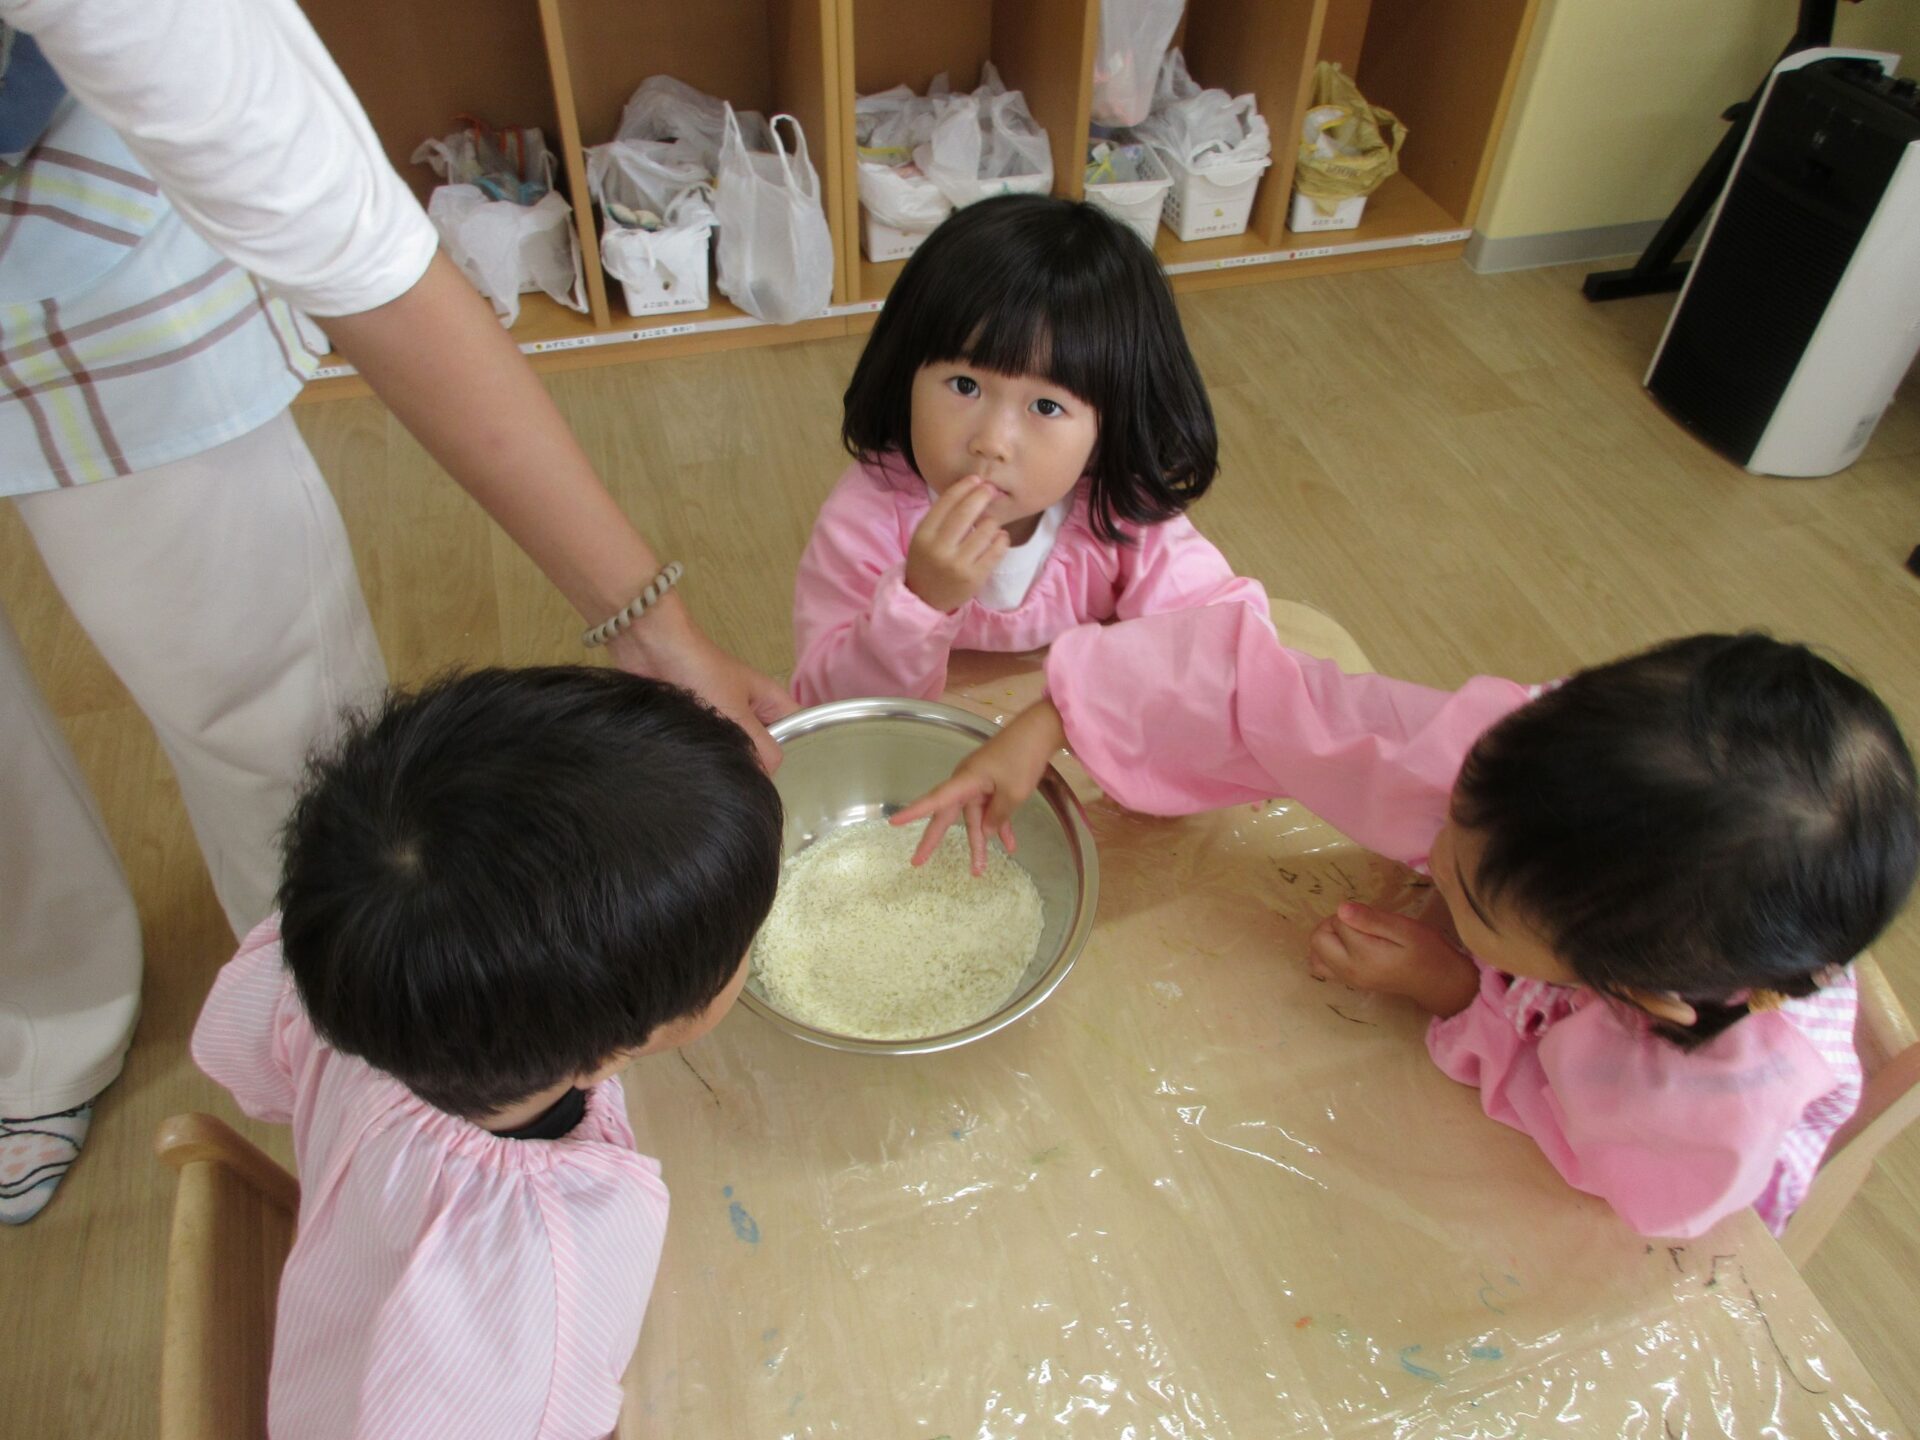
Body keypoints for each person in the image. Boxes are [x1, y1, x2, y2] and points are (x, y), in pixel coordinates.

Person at [0, 0, 791, 1222]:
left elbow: (363, 258)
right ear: (616, 1042)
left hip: (72, 235)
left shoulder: (277, 980)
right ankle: (43, 1016)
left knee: (247, 681)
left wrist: (655, 625)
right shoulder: (541, 1257)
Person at [898, 606, 1919, 1238]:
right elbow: (1279, 699)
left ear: (1624, 992)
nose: (1433, 853)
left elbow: (1606, 1162)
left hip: (1694, 1155)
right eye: (1451, 821)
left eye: (1470, 896)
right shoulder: (1527, 778)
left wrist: (1456, 990)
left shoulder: (1693, 1105)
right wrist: (1053, 719)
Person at [193, 666, 783, 1438]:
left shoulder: (353, 966)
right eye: (742, 943)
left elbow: (234, 1053)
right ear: (615, 1047)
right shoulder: (548, 1273)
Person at [790, 193, 1267, 707]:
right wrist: (919, 602)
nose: (991, 442)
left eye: (1045, 406)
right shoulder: (868, 519)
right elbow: (828, 705)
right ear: (904, 372)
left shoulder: (1117, 506)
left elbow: (1227, 634)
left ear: (1111, 424)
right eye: (965, 385)